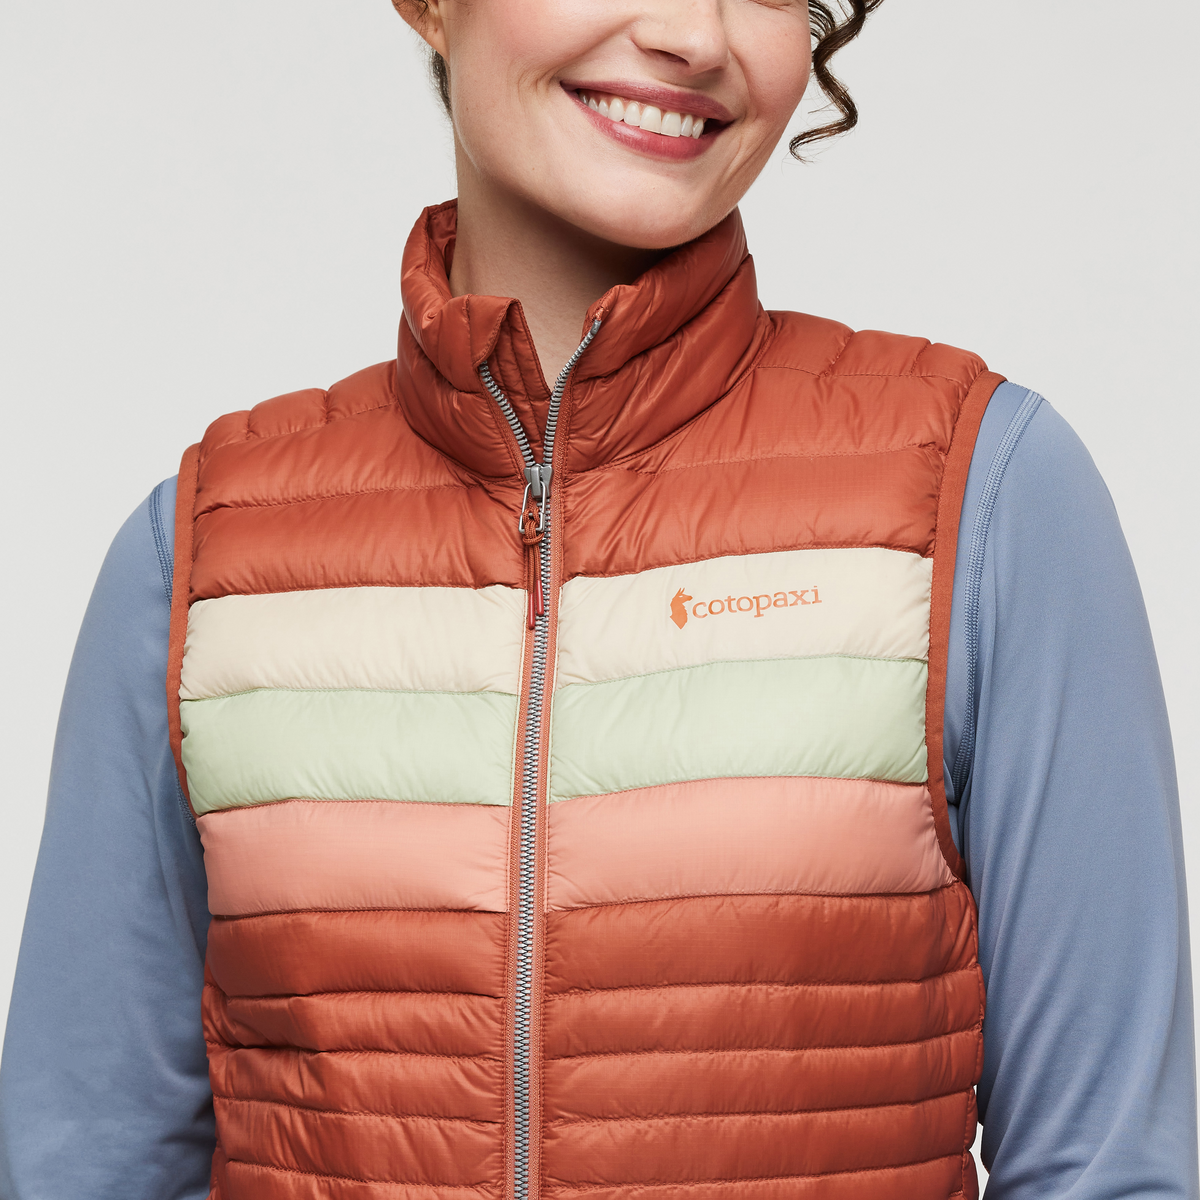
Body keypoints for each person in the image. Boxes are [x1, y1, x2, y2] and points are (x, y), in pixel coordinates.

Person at [1, 0, 1195, 1196]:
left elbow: (1107, 1169)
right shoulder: (203, 555)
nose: (697, 36)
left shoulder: (978, 495)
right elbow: (81, 1165)